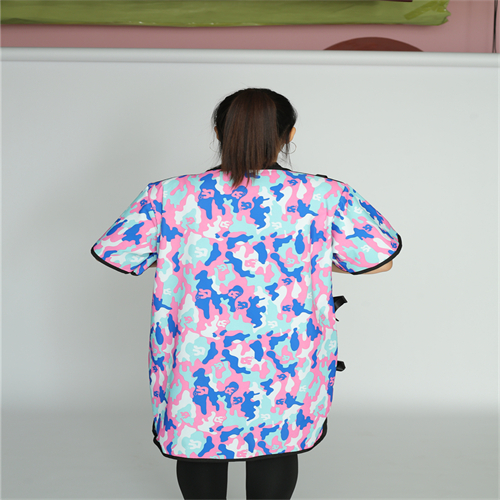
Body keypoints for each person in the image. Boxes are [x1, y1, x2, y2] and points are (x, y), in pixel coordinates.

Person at [91, 88, 402, 500]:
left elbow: (121, 252)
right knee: (275, 443)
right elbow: (379, 261)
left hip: (198, 353)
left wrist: (186, 254)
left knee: (198, 443)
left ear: (220, 131)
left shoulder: (170, 195)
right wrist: (306, 256)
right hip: (284, 352)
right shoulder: (325, 195)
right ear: (289, 135)